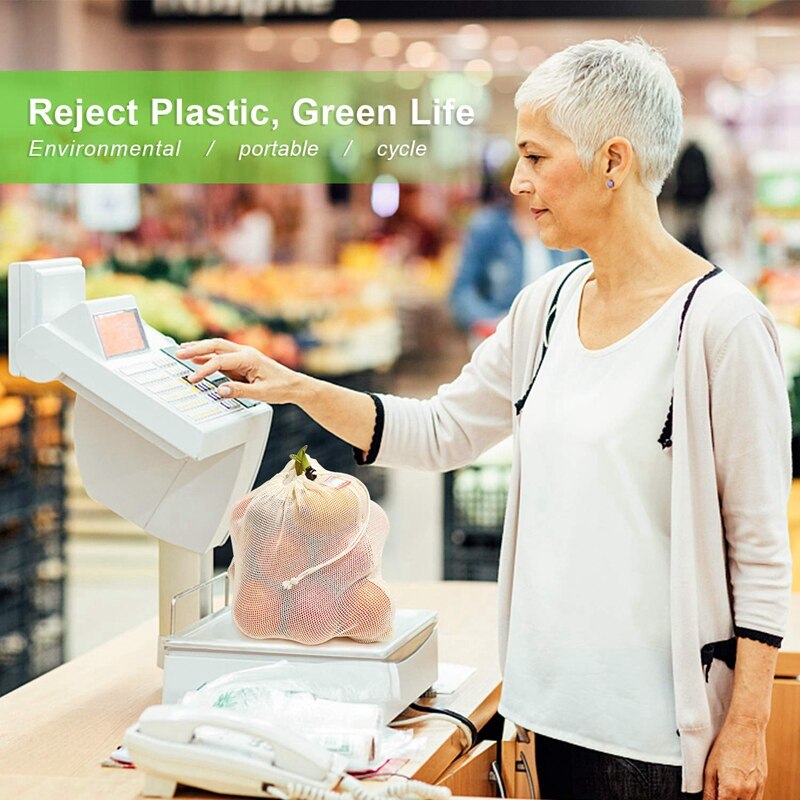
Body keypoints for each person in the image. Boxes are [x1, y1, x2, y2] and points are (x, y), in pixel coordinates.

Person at [175, 38, 792, 800]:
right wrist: (295, 385)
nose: (517, 180)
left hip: (660, 740)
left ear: (613, 161)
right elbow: (439, 432)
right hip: (543, 714)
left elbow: (761, 555)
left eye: (535, 156)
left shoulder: (722, 326)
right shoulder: (547, 308)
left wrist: (746, 729)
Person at [450, 184, 584, 334]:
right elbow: (462, 291)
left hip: (556, 330)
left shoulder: (567, 224)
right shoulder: (489, 227)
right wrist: (491, 321)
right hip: (503, 330)